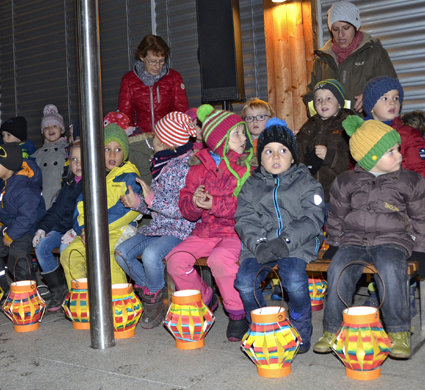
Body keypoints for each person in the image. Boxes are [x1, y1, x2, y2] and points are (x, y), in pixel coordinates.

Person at [313, 116, 425, 359]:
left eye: (398, 148)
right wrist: (334, 244)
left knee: (390, 268)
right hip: (353, 239)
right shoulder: (345, 181)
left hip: (393, 240)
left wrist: (423, 250)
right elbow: (336, 216)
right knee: (338, 270)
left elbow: (423, 218)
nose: (399, 155)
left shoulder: (411, 181)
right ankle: (332, 329)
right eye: (391, 151)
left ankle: (398, 332)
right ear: (371, 157)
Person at [234, 118, 326, 351]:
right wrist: (258, 244)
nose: (275, 156)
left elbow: (312, 218)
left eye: (283, 150)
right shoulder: (251, 185)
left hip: (297, 243)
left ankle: (300, 325)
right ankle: (261, 325)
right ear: (260, 158)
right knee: (245, 282)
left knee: (294, 280)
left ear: (293, 157)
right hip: (261, 244)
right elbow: (245, 219)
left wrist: (285, 241)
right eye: (268, 151)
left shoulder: (307, 183)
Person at [165, 104, 253, 341]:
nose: (243, 138)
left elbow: (247, 206)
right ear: (220, 139)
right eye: (236, 133)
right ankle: (204, 298)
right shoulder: (198, 167)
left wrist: (213, 203)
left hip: (235, 232)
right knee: (175, 260)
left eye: (243, 132)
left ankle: (237, 312)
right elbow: (187, 209)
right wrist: (194, 203)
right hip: (205, 232)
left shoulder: (246, 167)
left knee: (219, 259)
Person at [115, 112, 197, 328]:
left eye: (156, 139)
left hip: (179, 229)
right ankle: (154, 290)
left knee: (151, 255)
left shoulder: (185, 168)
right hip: (159, 227)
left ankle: (152, 298)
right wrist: (137, 203)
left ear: (165, 142)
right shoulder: (163, 165)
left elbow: (182, 210)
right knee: (121, 252)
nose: (152, 143)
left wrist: (150, 199)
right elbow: (155, 207)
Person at [60, 124, 141, 286]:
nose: (112, 154)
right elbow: (81, 206)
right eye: (107, 149)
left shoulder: (130, 177)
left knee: (108, 257)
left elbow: (127, 210)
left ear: (125, 153)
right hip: (93, 231)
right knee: (70, 255)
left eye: (118, 149)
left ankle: (118, 299)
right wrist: (84, 229)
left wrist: (95, 228)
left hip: (120, 230)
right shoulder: (94, 177)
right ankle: (83, 297)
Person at [303, 1, 397, 114]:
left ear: (355, 27)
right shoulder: (322, 60)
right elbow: (310, 96)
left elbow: (392, 89)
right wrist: (318, 116)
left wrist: (371, 97)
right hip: (331, 125)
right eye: (335, 29)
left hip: (365, 123)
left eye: (346, 28)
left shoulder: (374, 53)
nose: (340, 34)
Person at [0, 143, 43, 293]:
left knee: (17, 255)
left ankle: (28, 291)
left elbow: (27, 217)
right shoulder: (3, 183)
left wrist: (10, 235)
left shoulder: (24, 188)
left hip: (27, 229)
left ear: (9, 166)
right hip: (9, 227)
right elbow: (1, 206)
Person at [32, 143, 82, 311]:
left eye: (82, 159)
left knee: (65, 249)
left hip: (81, 229)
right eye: (74, 159)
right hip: (63, 228)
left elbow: (90, 211)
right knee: (41, 247)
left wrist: (76, 230)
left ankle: (76, 291)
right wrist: (42, 228)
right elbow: (56, 209)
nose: (78, 164)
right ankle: (58, 290)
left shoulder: (93, 182)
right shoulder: (69, 183)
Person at [362, 76, 425, 193]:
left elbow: (421, 172)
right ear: (371, 107)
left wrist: (422, 201)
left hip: (401, 200)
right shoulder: (361, 137)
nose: (392, 102)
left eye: (396, 98)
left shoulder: (410, 135)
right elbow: (354, 174)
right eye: (385, 98)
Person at [297, 79, 354, 204]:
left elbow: (351, 162)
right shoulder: (308, 126)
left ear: (339, 104)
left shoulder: (347, 126)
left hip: (338, 195)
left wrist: (329, 156)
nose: (323, 103)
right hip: (310, 193)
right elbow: (298, 156)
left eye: (329, 98)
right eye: (319, 100)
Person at [117, 34, 189, 133]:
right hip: (140, 137)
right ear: (142, 57)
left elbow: (181, 112)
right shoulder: (128, 80)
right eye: (153, 61)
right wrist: (133, 134)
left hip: (168, 136)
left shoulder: (174, 78)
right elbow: (124, 117)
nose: (157, 66)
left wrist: (173, 133)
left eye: (161, 61)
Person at [31, 104, 68, 209]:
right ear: (43, 133)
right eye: (46, 127)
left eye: (55, 126)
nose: (50, 129)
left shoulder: (67, 150)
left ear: (62, 130)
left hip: (63, 196)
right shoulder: (38, 154)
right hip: (45, 198)